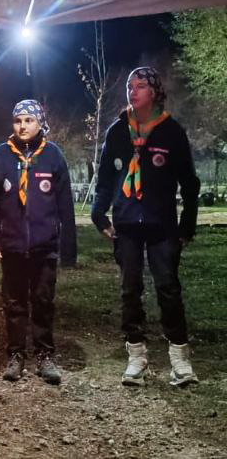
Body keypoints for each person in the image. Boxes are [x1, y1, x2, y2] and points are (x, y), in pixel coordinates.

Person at [92, 66, 200, 387]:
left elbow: (189, 183)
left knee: (168, 288)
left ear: (153, 92)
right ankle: (136, 357)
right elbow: (105, 180)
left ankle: (180, 359)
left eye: (140, 86)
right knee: (129, 290)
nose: (132, 91)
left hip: (162, 227)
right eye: (129, 86)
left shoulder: (172, 132)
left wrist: (187, 225)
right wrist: (100, 216)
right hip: (126, 224)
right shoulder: (116, 131)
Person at [0, 100, 76, 385]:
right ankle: (16, 354)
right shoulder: (0, 156)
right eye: (17, 121)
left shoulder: (53, 156)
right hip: (12, 247)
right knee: (14, 303)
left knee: (43, 301)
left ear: (39, 123)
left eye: (28, 121)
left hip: (44, 247)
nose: (22, 126)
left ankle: (45, 355)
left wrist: (67, 247)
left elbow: (65, 206)